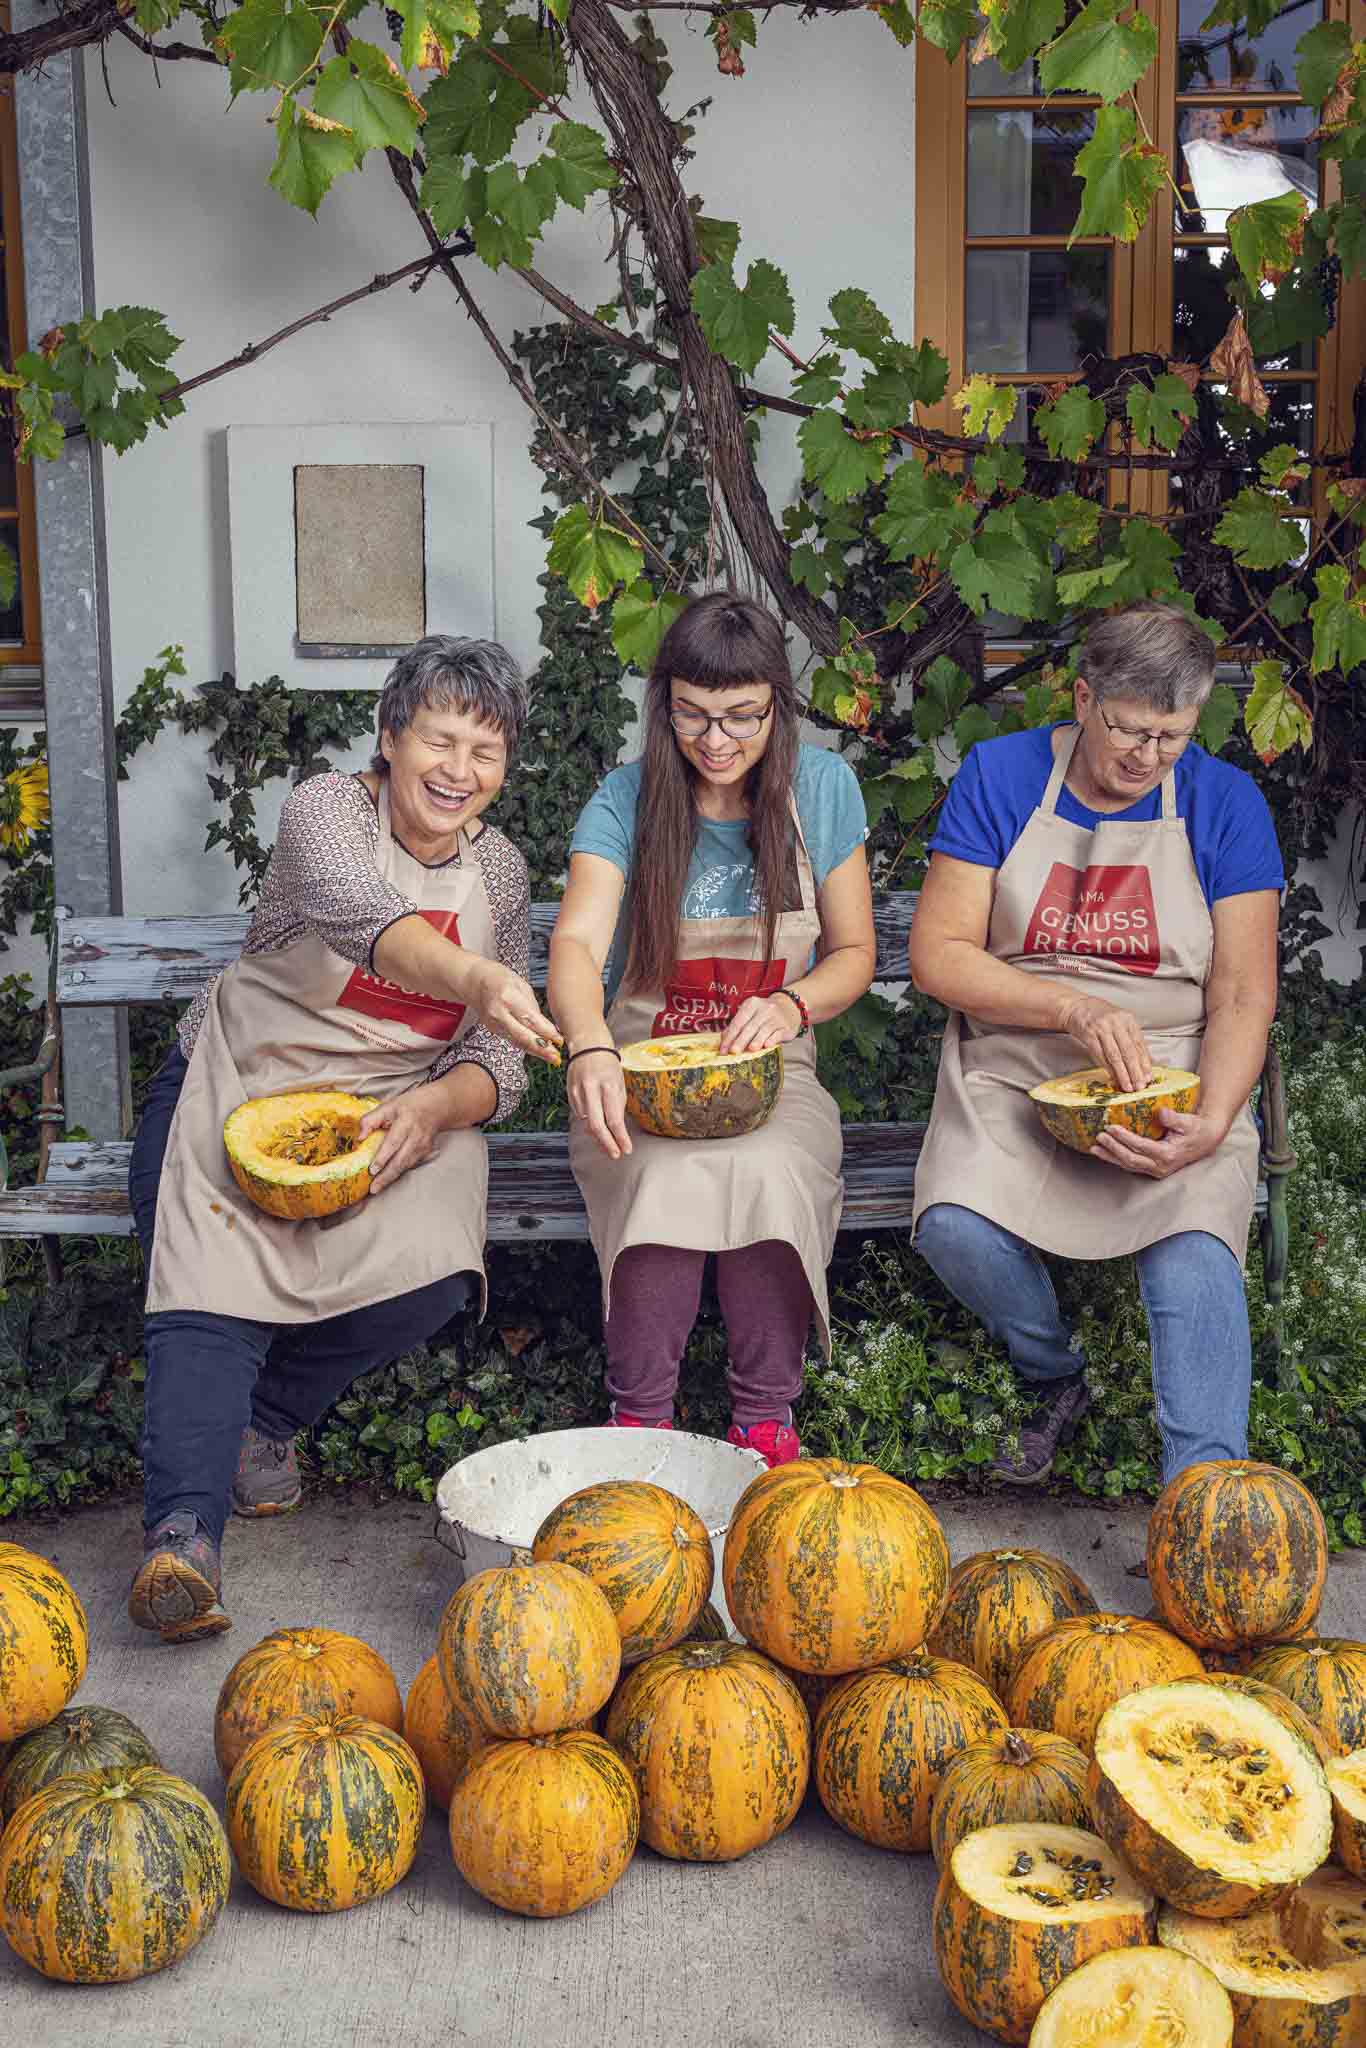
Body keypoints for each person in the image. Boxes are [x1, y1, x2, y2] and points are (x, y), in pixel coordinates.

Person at [126, 636, 561, 1643]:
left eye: (484, 751)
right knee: (206, 1259)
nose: (458, 770)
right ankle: (184, 1537)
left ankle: (262, 1424)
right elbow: (364, 915)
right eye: (438, 740)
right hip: (237, 1073)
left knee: (436, 1267)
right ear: (388, 735)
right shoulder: (326, 808)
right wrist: (478, 979)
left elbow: (497, 1065)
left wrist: (437, 1106)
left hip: (390, 1106)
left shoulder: (498, 869)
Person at [908, 600, 1282, 1488]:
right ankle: (1053, 1370)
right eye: (1131, 731)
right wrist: (1068, 1008)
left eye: (1172, 738)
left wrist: (1212, 1117)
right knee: (952, 1227)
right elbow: (939, 955)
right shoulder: (1002, 777)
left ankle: (1208, 1500)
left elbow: (1240, 991)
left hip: (1174, 1073)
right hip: (1017, 1062)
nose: (1147, 758)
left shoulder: (1225, 803)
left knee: (1194, 1258)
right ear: (1082, 699)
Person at [548, 591, 876, 1466]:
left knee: (770, 1170)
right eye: (692, 715)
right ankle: (639, 1423)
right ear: (664, 706)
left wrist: (793, 1005)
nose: (717, 740)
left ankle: (765, 1420)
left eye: (742, 717)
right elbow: (577, 940)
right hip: (636, 1068)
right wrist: (589, 1045)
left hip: (777, 1072)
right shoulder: (626, 800)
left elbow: (854, 954)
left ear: (777, 703)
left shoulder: (822, 790)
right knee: (653, 1172)